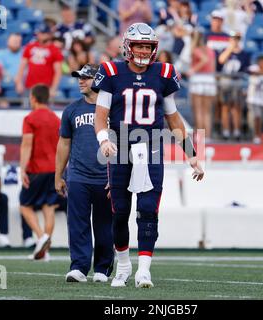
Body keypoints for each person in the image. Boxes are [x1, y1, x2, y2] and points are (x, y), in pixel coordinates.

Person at [93, 23, 204, 288]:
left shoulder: (162, 74)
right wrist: (104, 140)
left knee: (147, 210)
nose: (143, 51)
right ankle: (122, 265)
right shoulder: (111, 71)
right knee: (120, 212)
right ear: (127, 47)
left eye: (147, 46)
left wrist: (191, 154)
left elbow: (173, 118)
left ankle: (144, 270)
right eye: (139, 46)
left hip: (151, 147)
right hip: (120, 145)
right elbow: (100, 118)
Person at [55, 64, 114, 283]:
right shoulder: (71, 110)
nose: (81, 81)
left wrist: (118, 176)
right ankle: (79, 266)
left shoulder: (113, 108)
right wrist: (58, 175)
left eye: (86, 77)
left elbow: (125, 141)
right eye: (79, 77)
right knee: (77, 223)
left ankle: (102, 268)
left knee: (105, 225)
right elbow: (63, 144)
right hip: (78, 175)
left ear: (98, 80)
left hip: (106, 176)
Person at [19, 85, 61, 261]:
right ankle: (45, 251)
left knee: (24, 205)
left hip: (37, 169)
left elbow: (27, 144)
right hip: (54, 169)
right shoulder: (56, 119)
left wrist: (22, 168)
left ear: (34, 98)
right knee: (48, 207)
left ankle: (41, 237)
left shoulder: (30, 118)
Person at [15, 25, 64, 99]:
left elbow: (58, 72)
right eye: (40, 33)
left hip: (46, 87)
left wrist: (53, 88)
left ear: (49, 34)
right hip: (30, 86)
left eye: (44, 33)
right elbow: (22, 66)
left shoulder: (55, 50)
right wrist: (19, 82)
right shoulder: (30, 47)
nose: (41, 35)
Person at [218, 31, 251, 140]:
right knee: (225, 107)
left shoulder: (244, 54)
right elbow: (221, 60)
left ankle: (237, 131)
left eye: (237, 38)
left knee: (237, 107)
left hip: (238, 82)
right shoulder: (225, 51)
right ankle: (226, 131)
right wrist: (230, 49)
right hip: (226, 81)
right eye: (233, 38)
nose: (235, 41)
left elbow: (246, 71)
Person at [188, 31, 217, 140]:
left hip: (198, 79)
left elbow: (204, 60)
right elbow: (213, 67)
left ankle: (200, 137)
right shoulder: (211, 51)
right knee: (207, 112)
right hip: (210, 79)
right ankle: (207, 136)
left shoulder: (195, 49)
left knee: (198, 110)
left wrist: (193, 70)